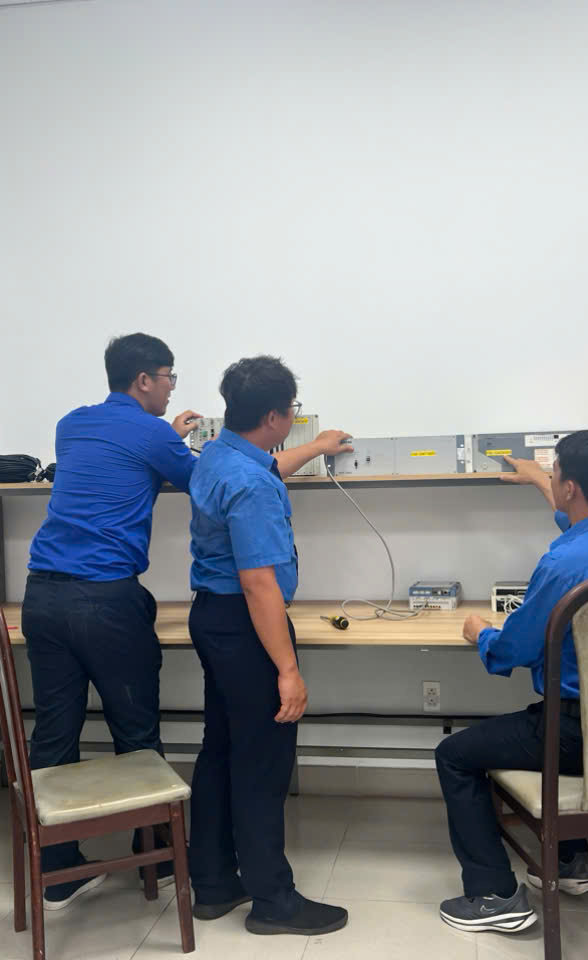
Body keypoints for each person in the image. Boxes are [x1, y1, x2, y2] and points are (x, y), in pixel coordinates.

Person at [435, 429, 588, 934]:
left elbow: (514, 651)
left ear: (571, 486)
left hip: (571, 738)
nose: (553, 481)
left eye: (556, 475)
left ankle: (495, 895)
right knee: (539, 724)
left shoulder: (560, 565)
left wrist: (479, 632)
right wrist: (537, 477)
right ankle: (572, 862)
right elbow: (575, 522)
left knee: (455, 754)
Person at [21, 332, 201, 910]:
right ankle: (159, 863)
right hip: (104, 602)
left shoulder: (71, 424)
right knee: (136, 733)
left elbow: (116, 455)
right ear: (144, 380)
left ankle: (57, 872)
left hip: (42, 597)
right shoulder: (152, 434)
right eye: (169, 377)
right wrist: (174, 441)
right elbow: (201, 482)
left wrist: (167, 436)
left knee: (55, 731)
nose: (172, 388)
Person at [185, 356, 353, 936]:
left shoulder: (217, 455)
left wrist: (319, 447)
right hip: (248, 624)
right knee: (262, 763)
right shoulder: (252, 483)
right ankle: (273, 901)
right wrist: (287, 669)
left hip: (212, 617)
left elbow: (270, 463)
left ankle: (213, 885)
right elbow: (259, 583)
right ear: (277, 417)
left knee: (221, 750)